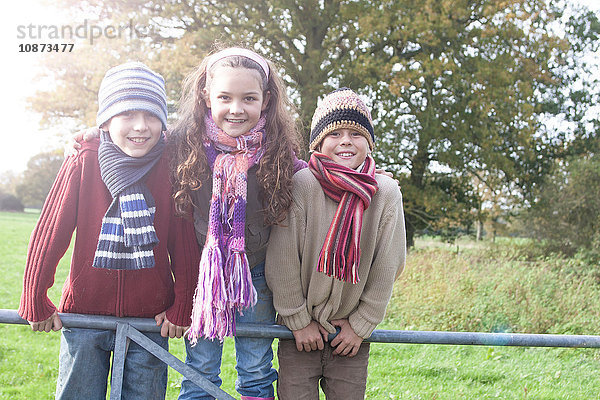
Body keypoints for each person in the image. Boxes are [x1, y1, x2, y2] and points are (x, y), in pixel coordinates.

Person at [18, 62, 200, 400]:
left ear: (164, 122)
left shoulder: (174, 164)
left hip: (149, 318)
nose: (141, 126)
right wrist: (34, 294)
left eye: (151, 116)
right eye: (127, 115)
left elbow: (184, 239)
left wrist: (182, 304)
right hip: (85, 314)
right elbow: (51, 229)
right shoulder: (84, 159)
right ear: (105, 121)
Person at [169, 46, 306, 400]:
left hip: (256, 273)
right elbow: (136, 137)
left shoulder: (277, 151)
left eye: (249, 98)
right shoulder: (183, 145)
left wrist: (363, 173)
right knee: (199, 366)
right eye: (225, 97)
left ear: (266, 100)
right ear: (205, 96)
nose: (236, 108)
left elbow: (319, 177)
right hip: (206, 274)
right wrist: (95, 137)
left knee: (257, 366)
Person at [265, 87, 407, 399]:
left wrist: (361, 324)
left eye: (356, 133)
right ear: (318, 143)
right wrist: (298, 320)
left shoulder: (384, 192)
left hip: (350, 337)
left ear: (368, 143)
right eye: (335, 133)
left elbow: (389, 264)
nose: (345, 141)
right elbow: (282, 259)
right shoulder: (302, 185)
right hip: (300, 333)